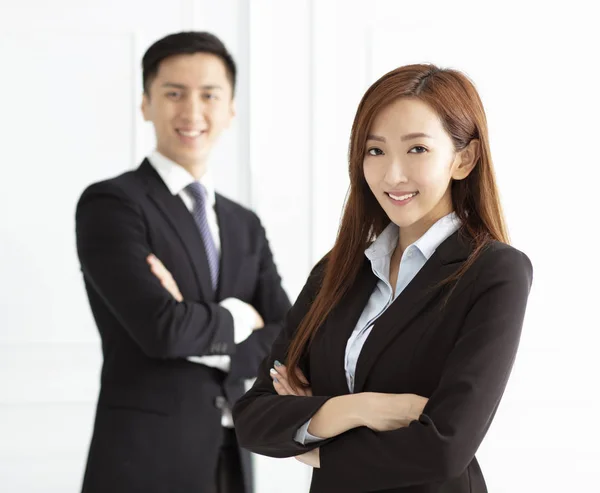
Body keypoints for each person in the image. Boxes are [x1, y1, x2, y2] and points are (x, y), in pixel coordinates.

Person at [231, 64, 533, 492]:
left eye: (417, 150)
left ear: (464, 159)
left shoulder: (495, 272)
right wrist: (358, 409)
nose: (393, 175)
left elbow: (444, 447)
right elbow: (252, 416)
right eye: (375, 151)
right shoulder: (335, 272)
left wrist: (314, 444)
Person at [76, 31, 291, 493]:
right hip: (142, 461)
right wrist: (238, 317)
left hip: (232, 455)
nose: (192, 112)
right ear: (146, 103)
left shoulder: (243, 223)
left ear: (231, 108)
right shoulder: (113, 205)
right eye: (174, 94)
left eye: (209, 95)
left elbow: (288, 336)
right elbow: (162, 329)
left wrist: (198, 329)